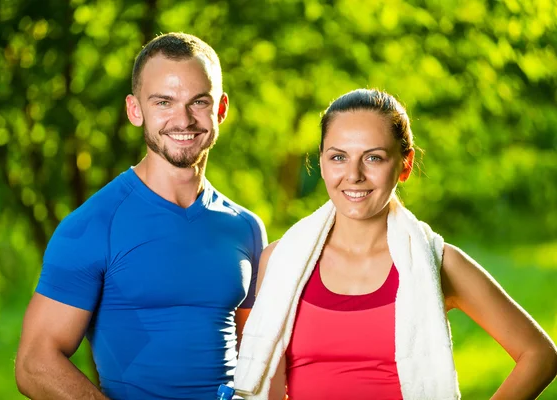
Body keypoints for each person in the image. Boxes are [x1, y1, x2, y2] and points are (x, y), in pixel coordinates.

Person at [234, 89, 557, 399]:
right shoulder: (281, 260)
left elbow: (539, 355)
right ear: (321, 162)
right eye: (339, 157)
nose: (354, 174)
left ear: (404, 164)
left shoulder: (437, 263)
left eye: (373, 158)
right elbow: (264, 379)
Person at [15, 32, 267, 400]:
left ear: (221, 109)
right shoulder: (93, 225)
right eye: (164, 102)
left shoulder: (245, 227)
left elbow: (256, 356)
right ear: (136, 110)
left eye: (198, 102)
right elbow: (34, 363)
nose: (183, 119)